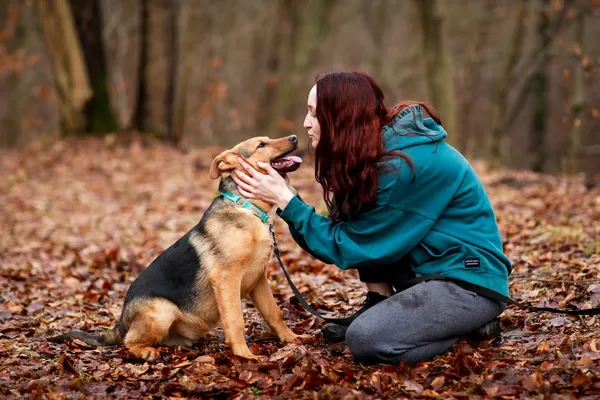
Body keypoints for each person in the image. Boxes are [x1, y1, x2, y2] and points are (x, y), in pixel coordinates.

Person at [232, 71, 511, 364]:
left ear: (342, 118)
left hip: (467, 283)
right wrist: (286, 199)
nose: (305, 122)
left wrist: (287, 202)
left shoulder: (407, 166)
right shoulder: (370, 154)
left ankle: (466, 330)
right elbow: (347, 227)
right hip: (427, 272)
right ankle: (380, 300)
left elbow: (352, 245)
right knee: (364, 218)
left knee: (366, 339)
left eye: (314, 114)